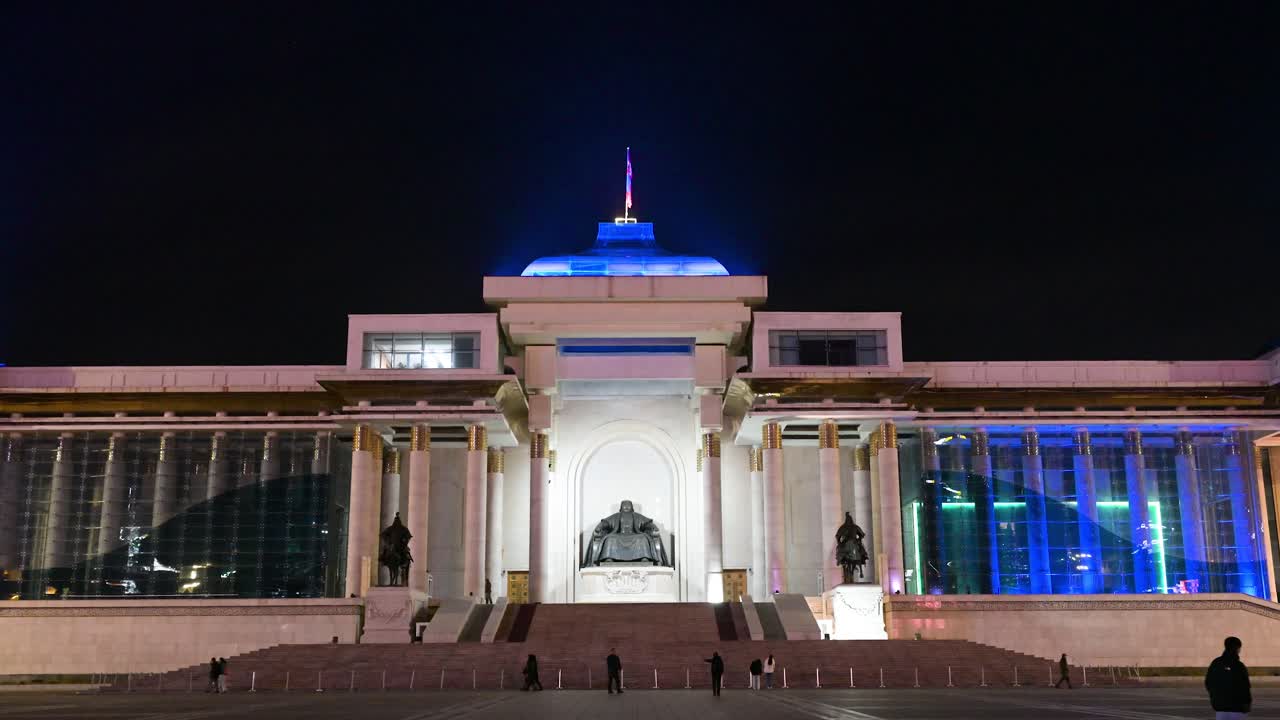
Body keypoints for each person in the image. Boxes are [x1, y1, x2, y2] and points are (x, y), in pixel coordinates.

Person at [1206, 636, 1251, 719]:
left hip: (1220, 708)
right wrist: (1247, 703)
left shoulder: (1216, 663)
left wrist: (1214, 697)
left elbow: (1208, 683)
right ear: (1237, 648)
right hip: (1237, 708)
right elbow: (1245, 686)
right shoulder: (1239, 666)